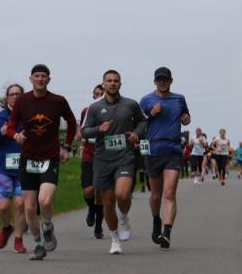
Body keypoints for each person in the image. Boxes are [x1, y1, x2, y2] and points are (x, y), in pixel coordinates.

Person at [5, 64, 78, 261]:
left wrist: (67, 146)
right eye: (36, 76)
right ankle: (38, 245)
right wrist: (15, 136)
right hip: (28, 158)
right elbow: (11, 125)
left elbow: (72, 122)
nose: (40, 79)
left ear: (48, 80)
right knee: (29, 207)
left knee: (44, 201)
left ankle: (47, 225)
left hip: (50, 156)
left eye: (43, 76)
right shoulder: (22, 101)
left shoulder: (58, 101)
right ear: (31, 79)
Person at [83, 70, 148, 254]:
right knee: (108, 202)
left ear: (120, 84)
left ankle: (124, 218)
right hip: (103, 159)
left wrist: (137, 134)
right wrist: (98, 128)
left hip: (125, 156)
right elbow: (85, 131)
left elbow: (143, 122)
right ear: (103, 84)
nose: (112, 83)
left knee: (123, 194)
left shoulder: (131, 104)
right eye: (109, 81)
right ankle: (114, 239)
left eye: (116, 81)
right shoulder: (95, 108)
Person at [139, 67, 191, 250]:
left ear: (171, 80)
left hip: (173, 149)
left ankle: (167, 233)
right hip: (154, 149)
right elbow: (138, 122)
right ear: (154, 81)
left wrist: (186, 119)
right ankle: (156, 220)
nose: (162, 82)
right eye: (159, 79)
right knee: (156, 195)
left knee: (169, 193)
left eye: (165, 79)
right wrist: (150, 113)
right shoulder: (146, 100)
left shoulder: (179, 98)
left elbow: (186, 117)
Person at [0, 84, 28, 253]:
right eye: (12, 94)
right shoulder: (0, 117)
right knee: (3, 207)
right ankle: (6, 227)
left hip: (23, 169)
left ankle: (18, 239)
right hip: (3, 169)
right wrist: (0, 133)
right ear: (7, 97)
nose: (15, 97)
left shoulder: (28, 117)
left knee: (19, 203)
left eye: (18, 94)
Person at [79, 84, 106, 238]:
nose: (98, 96)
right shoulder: (86, 111)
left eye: (101, 93)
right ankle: (91, 209)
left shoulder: (111, 112)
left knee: (100, 193)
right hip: (89, 155)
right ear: (93, 96)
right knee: (88, 190)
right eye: (96, 94)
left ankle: (98, 227)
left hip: (104, 156)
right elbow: (83, 131)